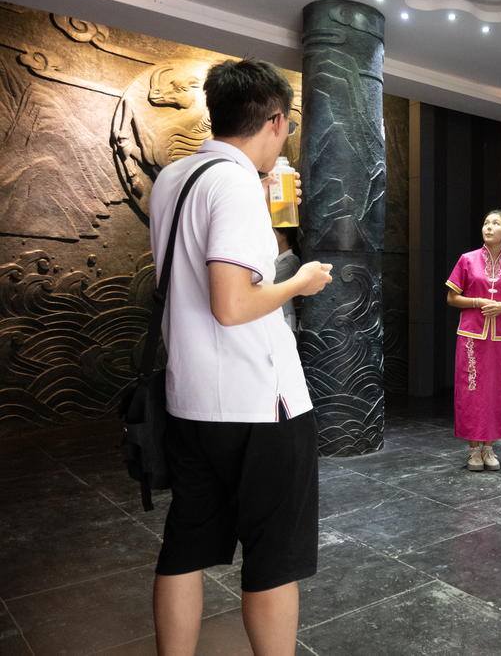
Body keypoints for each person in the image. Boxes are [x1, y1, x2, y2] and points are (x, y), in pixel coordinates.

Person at [148, 59, 333, 655]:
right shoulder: (234, 184)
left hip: (189, 400)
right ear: (275, 120)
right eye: (288, 127)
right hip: (259, 404)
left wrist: (270, 212)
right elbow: (231, 305)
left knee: (185, 546)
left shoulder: (173, 178)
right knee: (273, 557)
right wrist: (299, 281)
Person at [446, 210, 501, 471]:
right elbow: (451, 298)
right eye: (485, 223)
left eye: (495, 223)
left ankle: (489, 447)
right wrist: (477, 302)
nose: (489, 227)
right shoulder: (467, 260)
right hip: (471, 336)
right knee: (471, 390)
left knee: (496, 391)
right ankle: (473, 449)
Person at [274, 226, 301, 333]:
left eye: (273, 232)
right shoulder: (275, 260)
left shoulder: (291, 260)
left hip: (284, 317)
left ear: (284, 235)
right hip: (273, 315)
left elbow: (265, 279)